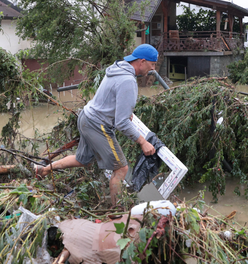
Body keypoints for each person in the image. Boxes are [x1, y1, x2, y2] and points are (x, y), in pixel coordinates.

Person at [35, 44, 158, 206]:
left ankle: (42, 170)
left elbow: (111, 101)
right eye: (152, 64)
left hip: (86, 117)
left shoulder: (117, 69)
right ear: (142, 62)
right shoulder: (128, 80)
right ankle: (118, 213)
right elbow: (122, 123)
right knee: (121, 169)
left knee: (82, 159)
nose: (153, 69)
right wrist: (143, 142)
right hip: (98, 125)